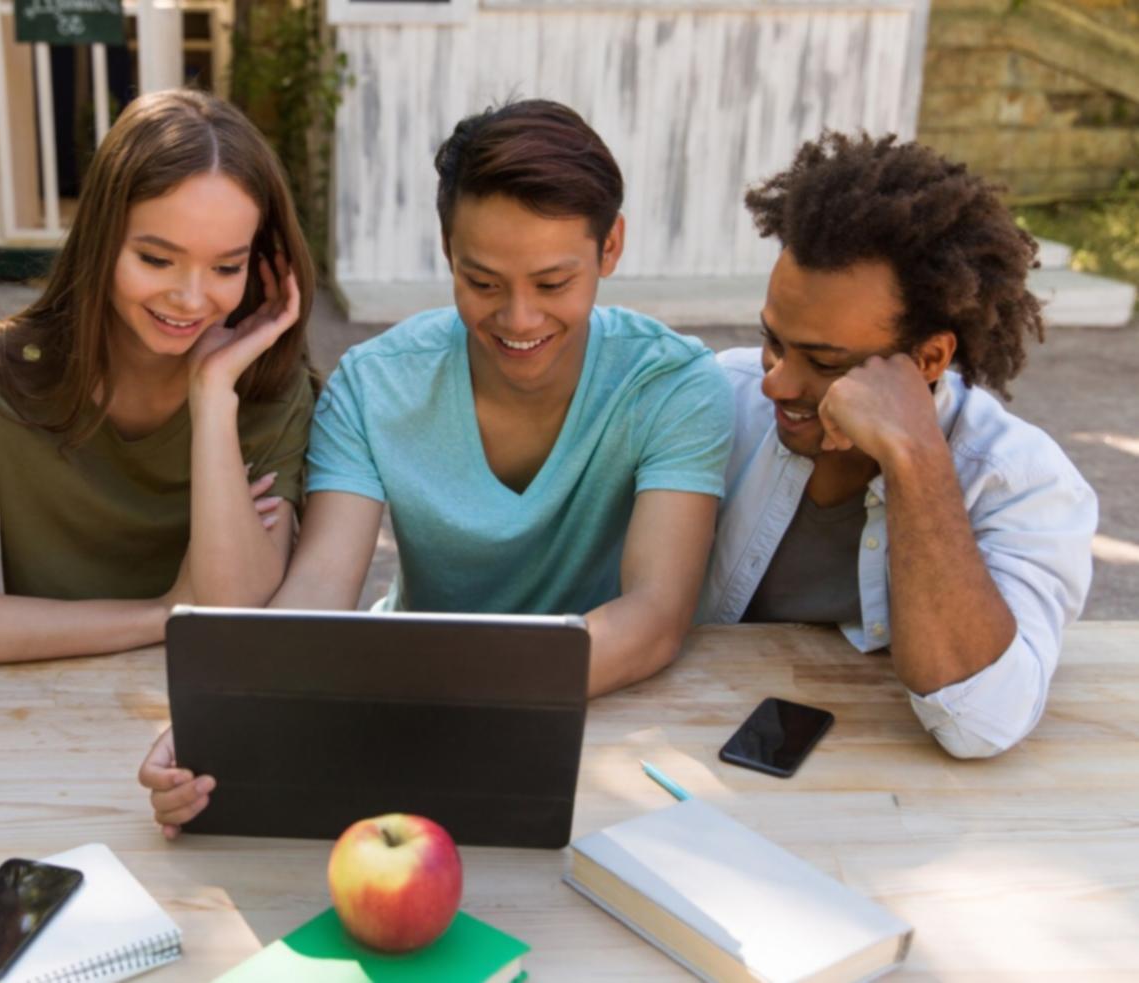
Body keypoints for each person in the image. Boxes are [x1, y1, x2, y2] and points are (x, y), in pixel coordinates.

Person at [141, 99, 734, 835]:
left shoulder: (676, 386)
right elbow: (319, 594)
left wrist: (441, 693)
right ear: (448, 250)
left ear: (610, 246)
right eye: (482, 281)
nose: (518, 319)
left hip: (607, 718)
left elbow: (653, 620)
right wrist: (226, 722)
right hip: (412, 722)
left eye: (553, 283)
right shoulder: (374, 383)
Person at [697, 132, 1098, 758]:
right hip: (697, 746)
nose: (776, 380)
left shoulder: (1022, 479)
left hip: (899, 790)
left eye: (824, 361)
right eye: (773, 340)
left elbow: (982, 723)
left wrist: (913, 458)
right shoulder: (718, 399)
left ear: (930, 358)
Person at [0, 89, 316, 669]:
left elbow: (233, 611)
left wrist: (213, 396)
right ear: (102, 240)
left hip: (196, 717)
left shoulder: (267, 388)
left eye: (226, 267)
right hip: (37, 709)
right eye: (157, 259)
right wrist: (168, 613)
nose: (191, 298)